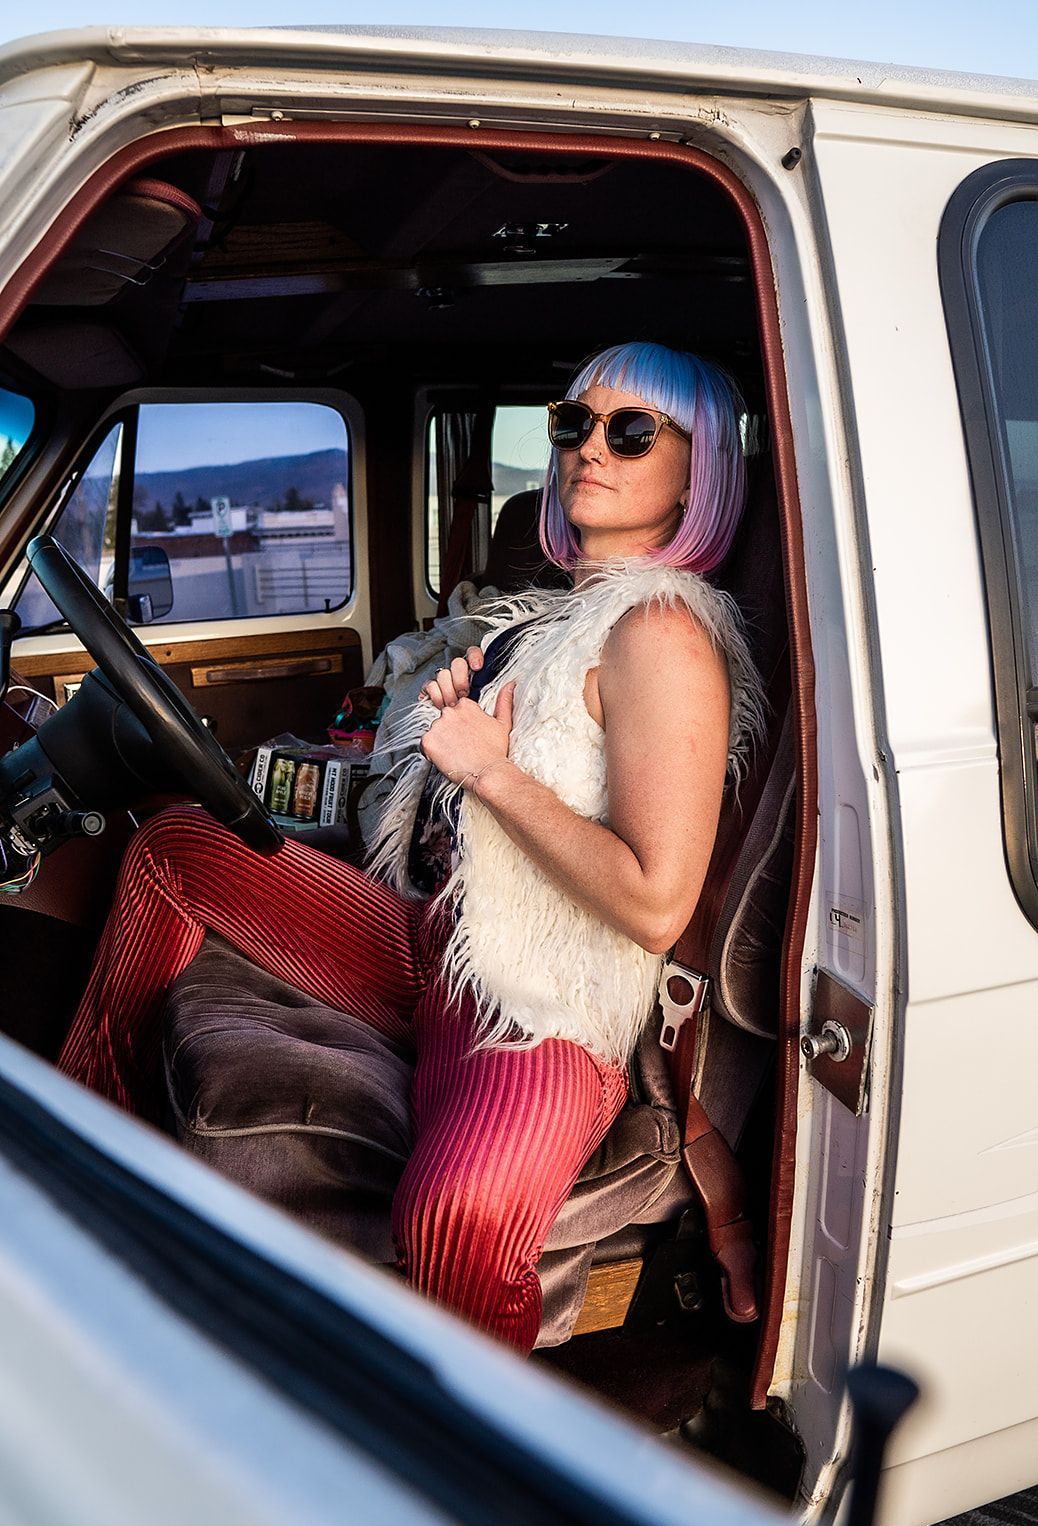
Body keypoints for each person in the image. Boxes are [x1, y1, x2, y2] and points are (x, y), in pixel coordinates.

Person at [58, 341, 762, 1354]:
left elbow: (656, 903)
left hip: (537, 1007)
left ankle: (482, 1465)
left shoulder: (663, 631)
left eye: (632, 429)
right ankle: (83, 1166)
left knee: (457, 1216)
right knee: (177, 848)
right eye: (571, 421)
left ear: (699, 469)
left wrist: (490, 768)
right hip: (432, 941)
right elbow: (487, 811)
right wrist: (442, 739)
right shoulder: (560, 623)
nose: (587, 448)